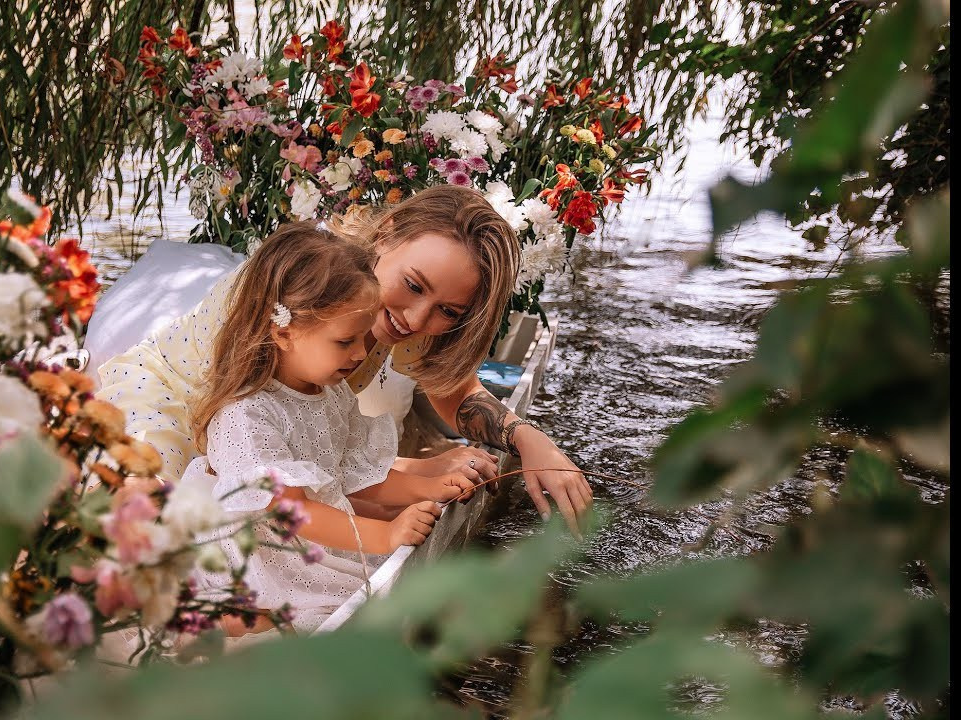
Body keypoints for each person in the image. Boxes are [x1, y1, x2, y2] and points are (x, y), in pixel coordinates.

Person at [96, 184, 593, 534]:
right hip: (182, 406)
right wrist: (412, 477)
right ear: (388, 233)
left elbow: (457, 391)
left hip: (263, 446)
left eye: (448, 311)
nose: (417, 320)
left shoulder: (403, 313)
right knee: (151, 515)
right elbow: (245, 443)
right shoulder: (298, 295)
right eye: (414, 285)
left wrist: (529, 441)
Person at [185, 222, 475, 633]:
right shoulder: (247, 414)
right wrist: (384, 535)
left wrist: (426, 489)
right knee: (308, 613)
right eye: (345, 342)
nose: (361, 353)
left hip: (303, 539)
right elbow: (293, 511)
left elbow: (353, 474)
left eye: (361, 338)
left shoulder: (329, 392)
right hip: (261, 549)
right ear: (284, 332)